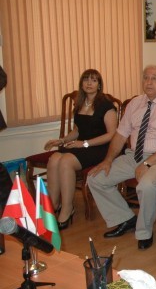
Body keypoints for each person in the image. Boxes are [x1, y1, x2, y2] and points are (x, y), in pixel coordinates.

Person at [87, 65, 156, 250]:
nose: (149, 82)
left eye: (155, 78)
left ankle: (144, 233)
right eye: (146, 78)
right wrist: (108, 160)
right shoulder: (135, 104)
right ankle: (126, 218)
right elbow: (120, 135)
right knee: (96, 178)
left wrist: (147, 163)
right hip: (134, 155)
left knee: (147, 184)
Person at [43, 69, 118, 229]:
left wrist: (84, 143)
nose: (89, 83)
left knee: (65, 162)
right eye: (86, 80)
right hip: (82, 145)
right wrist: (61, 140)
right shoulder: (79, 104)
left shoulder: (106, 106)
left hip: (100, 147)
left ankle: (67, 208)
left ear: (99, 85)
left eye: (93, 80)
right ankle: (53, 205)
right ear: (81, 83)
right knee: (54, 158)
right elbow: (77, 130)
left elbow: (112, 135)